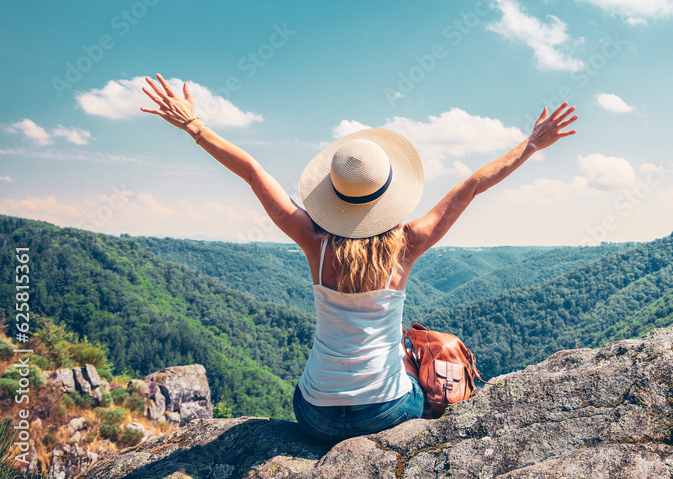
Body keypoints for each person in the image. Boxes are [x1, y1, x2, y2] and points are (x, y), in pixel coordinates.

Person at [139, 73, 578, 443]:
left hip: (314, 415)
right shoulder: (407, 242)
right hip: (387, 411)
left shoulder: (314, 239)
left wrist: (194, 124)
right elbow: (472, 185)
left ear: (333, 195)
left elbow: (253, 171)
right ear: (389, 193)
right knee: (420, 349)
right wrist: (532, 144)